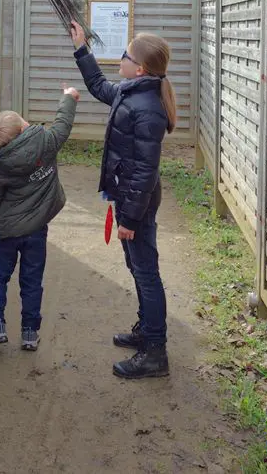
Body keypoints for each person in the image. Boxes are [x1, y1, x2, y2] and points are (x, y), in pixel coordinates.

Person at [70, 21, 176, 379]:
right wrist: (81, 48)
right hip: (131, 197)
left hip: (138, 202)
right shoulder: (133, 92)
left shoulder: (147, 108)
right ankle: (146, 331)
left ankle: (155, 353)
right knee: (137, 267)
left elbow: (145, 172)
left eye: (125, 55)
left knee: (146, 274)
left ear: (140, 67)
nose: (121, 59)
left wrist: (129, 219)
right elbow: (101, 87)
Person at [0, 86, 79, 351]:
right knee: (32, 281)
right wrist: (68, 97)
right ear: (23, 131)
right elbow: (63, 123)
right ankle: (30, 333)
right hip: (36, 231)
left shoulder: (0, 166)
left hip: (7, 233)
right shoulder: (46, 143)